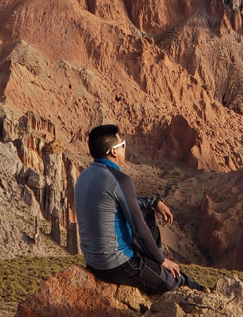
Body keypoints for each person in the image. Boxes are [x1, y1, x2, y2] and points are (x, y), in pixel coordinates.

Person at [74, 124, 206, 293]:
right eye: (123, 144)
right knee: (175, 282)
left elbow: (126, 204)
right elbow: (139, 228)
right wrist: (161, 260)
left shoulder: (85, 175)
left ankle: (153, 263)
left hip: (93, 260)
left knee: (146, 211)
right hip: (115, 264)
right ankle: (204, 293)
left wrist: (153, 201)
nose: (125, 148)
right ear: (113, 151)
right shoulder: (119, 180)